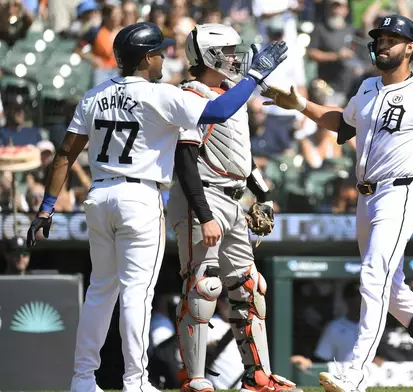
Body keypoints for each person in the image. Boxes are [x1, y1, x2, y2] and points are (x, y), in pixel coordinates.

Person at [25, 21, 288, 392]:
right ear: (147, 58)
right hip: (140, 196)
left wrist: (47, 208)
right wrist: (257, 75)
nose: (164, 57)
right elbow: (219, 110)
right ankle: (135, 382)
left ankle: (83, 380)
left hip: (100, 195)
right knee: (137, 294)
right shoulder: (159, 94)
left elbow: (65, 155)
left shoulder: (94, 94)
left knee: (101, 292)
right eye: (159, 52)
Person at [262, 14, 413, 392]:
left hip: (399, 192)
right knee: (392, 293)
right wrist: (301, 104)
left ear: (410, 47)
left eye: (392, 39)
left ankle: (356, 374)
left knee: (372, 277)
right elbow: (344, 125)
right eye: (379, 38)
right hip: (366, 197)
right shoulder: (366, 87)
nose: (382, 44)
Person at [166, 24, 300, 392]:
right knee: (203, 287)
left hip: (232, 196)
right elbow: (185, 158)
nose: (235, 57)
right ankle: (195, 380)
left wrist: (264, 193)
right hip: (201, 197)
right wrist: (204, 213)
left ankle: (257, 377)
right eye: (227, 50)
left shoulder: (231, 93)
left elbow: (240, 157)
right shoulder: (190, 93)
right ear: (207, 55)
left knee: (249, 287)